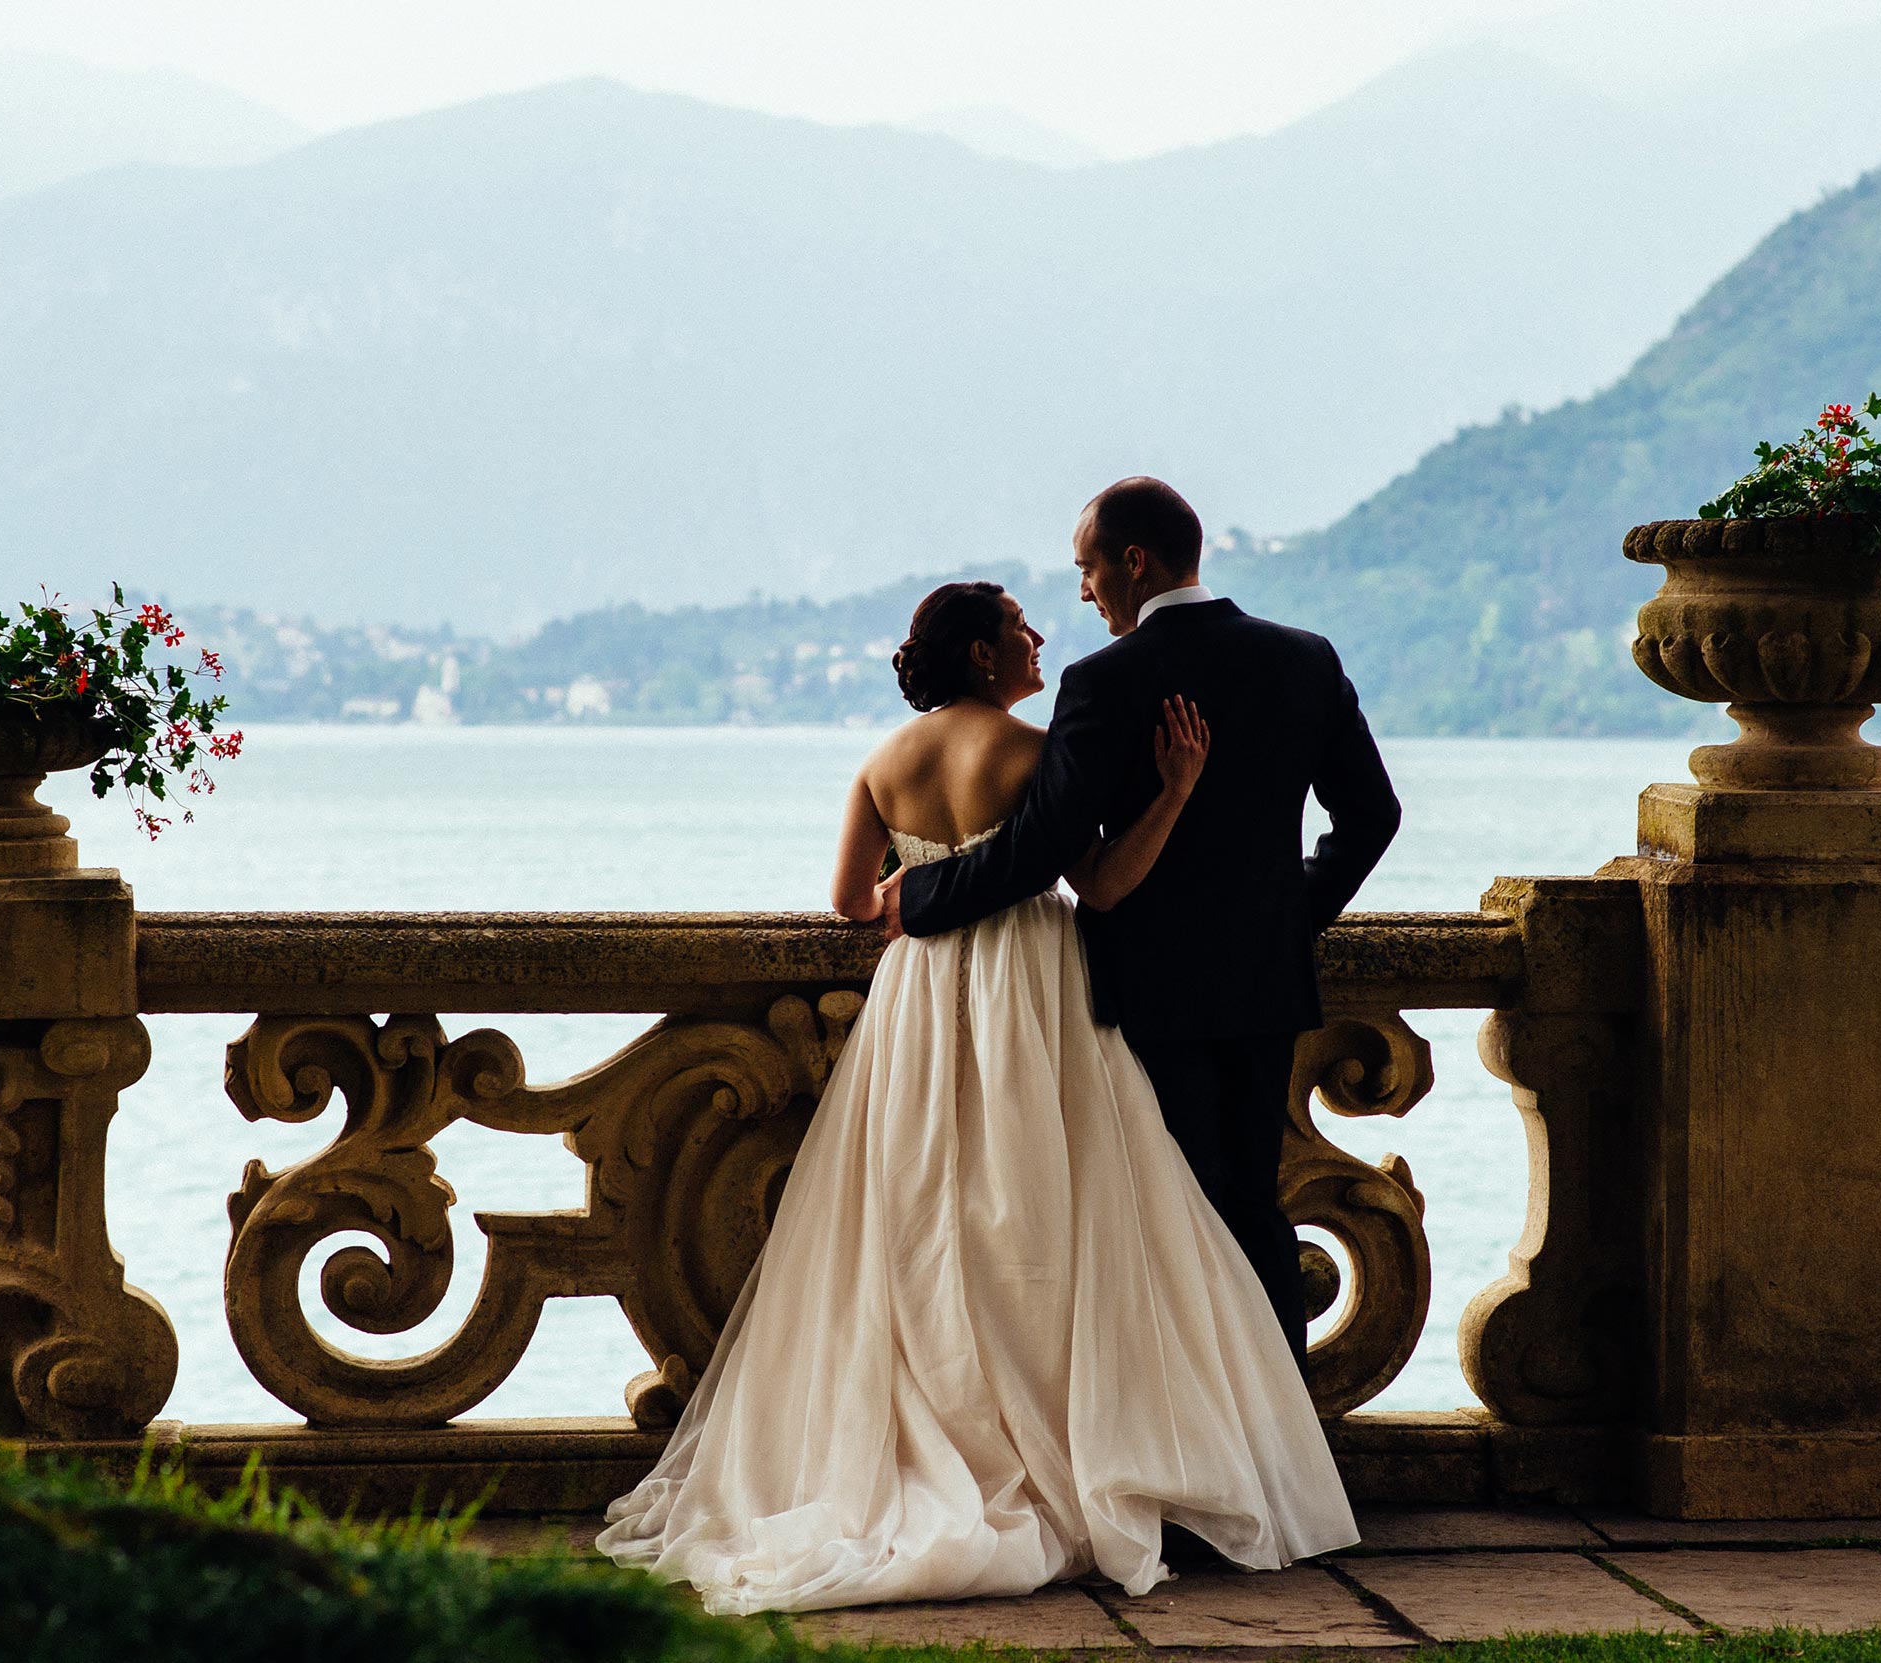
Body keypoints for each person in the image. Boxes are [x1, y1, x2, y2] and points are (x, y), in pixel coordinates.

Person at [598, 577, 1358, 1614]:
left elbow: (853, 902)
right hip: (1030, 987)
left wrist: (917, 892)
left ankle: (932, 1431)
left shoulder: (882, 762)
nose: (1038, 633)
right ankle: (1065, 1430)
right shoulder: (1038, 751)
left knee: (917, 1214)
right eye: (1016, 627)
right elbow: (1097, 884)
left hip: (917, 991)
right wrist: (1174, 791)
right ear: (979, 657)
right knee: (1043, 1204)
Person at [888, 477, 1400, 1369]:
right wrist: (1288, 918)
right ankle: (1285, 1450)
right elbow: (1372, 816)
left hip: (1146, 994)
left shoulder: (1105, 681)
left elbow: (1042, 845)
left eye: (1088, 568)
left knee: (1170, 1222)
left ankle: (1197, 1459)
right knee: (1252, 1208)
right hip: (1264, 987)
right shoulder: (1305, 658)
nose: (1083, 592)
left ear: (1134, 561)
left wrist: (919, 897)